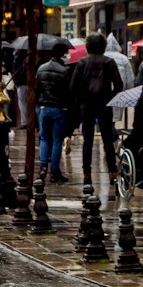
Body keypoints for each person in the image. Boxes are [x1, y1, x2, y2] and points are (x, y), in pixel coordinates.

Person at [68, 31, 122, 188]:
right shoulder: (109, 62)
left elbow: (73, 87)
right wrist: (110, 98)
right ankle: (112, 171)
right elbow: (119, 85)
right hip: (104, 105)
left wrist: (78, 102)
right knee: (107, 140)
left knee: (88, 140)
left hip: (87, 105)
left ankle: (87, 173)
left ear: (88, 46)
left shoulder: (82, 63)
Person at [34, 40, 71, 183]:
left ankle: (43, 168)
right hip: (59, 108)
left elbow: (37, 89)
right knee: (57, 140)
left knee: (44, 138)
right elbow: (68, 92)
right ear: (62, 54)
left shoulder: (41, 69)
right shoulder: (65, 71)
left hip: (44, 108)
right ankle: (55, 171)